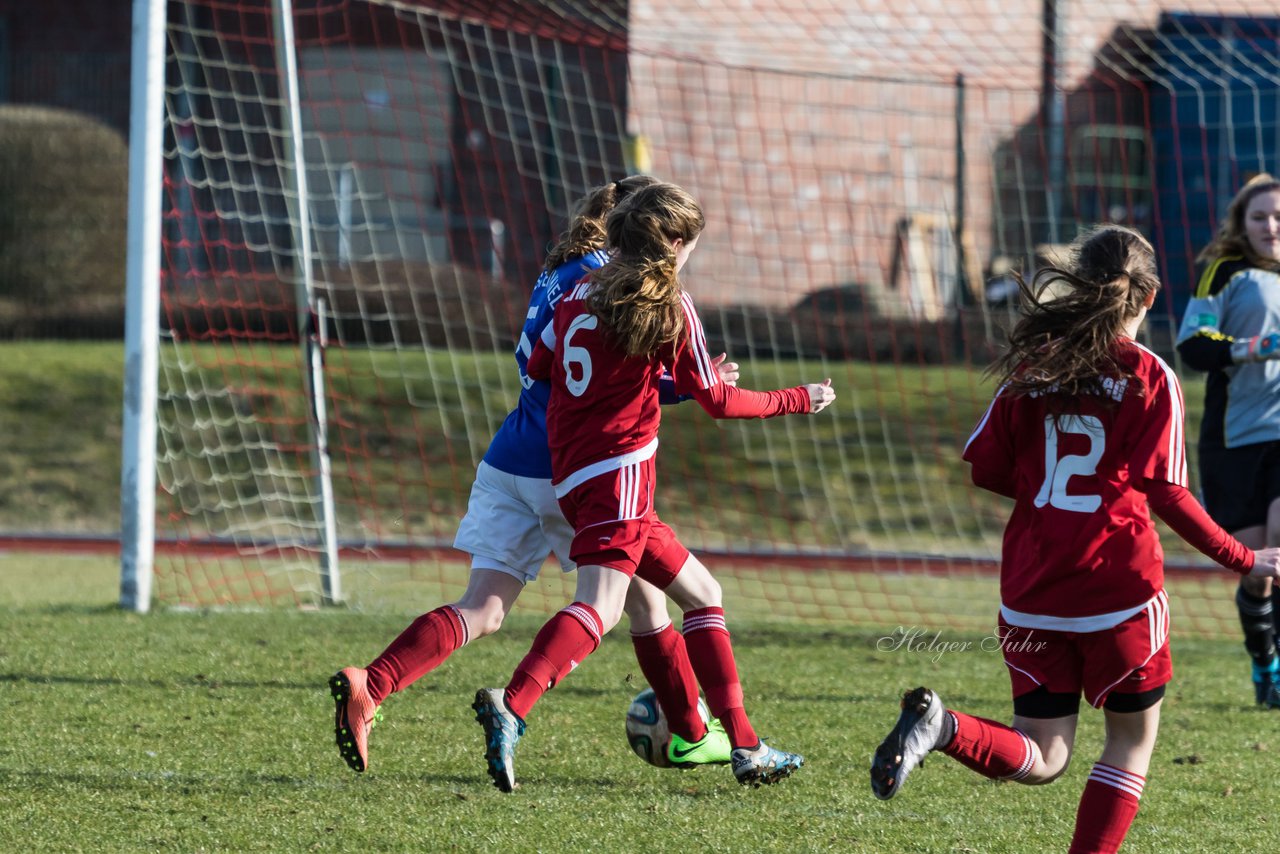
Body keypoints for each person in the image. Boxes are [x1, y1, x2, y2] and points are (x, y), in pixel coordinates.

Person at [868, 225, 1280, 853]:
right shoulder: (1147, 375)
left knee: (1045, 751)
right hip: (1118, 590)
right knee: (1129, 743)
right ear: (1148, 296)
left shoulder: (1034, 368)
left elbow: (984, 466)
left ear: (1082, 284)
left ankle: (945, 727)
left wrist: (1045, 499)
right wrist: (1245, 559)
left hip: (1032, 588)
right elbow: (1166, 492)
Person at [328, 176, 741, 775]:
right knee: (646, 602)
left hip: (508, 459)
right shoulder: (615, 282)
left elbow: (557, 365)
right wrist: (693, 387)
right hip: (570, 468)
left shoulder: (564, 270)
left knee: (484, 609)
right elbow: (608, 383)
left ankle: (373, 682)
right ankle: (690, 732)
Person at [471, 181, 836, 792]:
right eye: (690, 244)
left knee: (702, 591)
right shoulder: (670, 304)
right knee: (603, 606)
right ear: (671, 241)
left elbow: (540, 365)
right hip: (621, 479)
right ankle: (514, 702)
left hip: (574, 475)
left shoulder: (580, 290)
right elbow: (717, 399)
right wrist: (798, 398)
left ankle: (745, 746)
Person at [1175, 173, 1280, 708]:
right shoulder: (1225, 271)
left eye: (1278, 217)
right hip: (1235, 438)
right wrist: (1254, 347)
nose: (1271, 226)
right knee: (1258, 569)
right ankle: (1265, 663)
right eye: (1260, 216)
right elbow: (1194, 344)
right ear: (1241, 222)